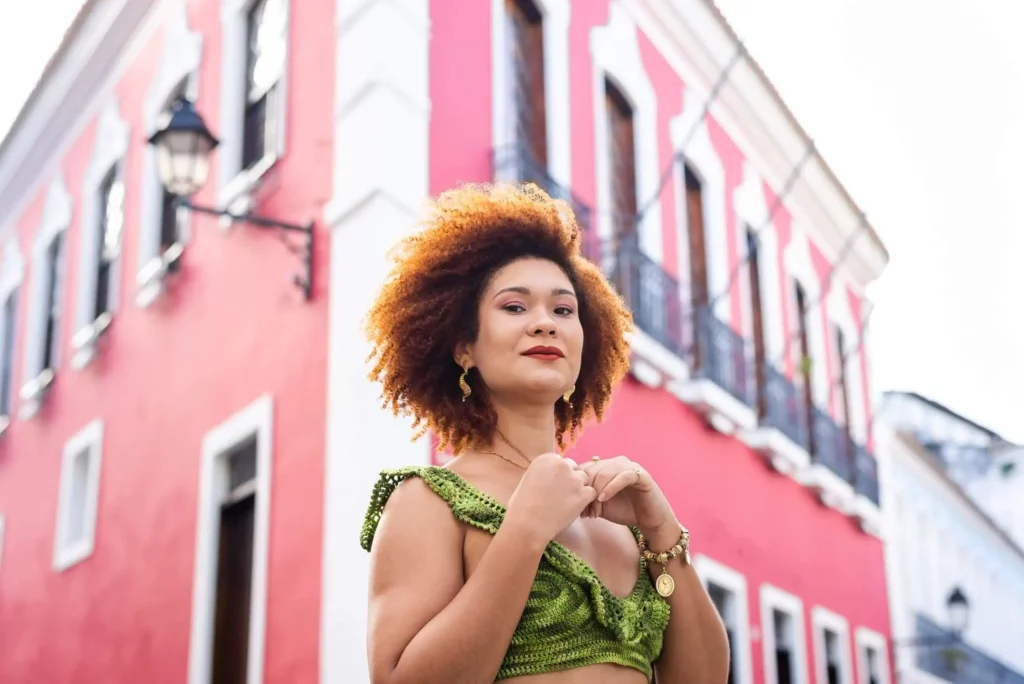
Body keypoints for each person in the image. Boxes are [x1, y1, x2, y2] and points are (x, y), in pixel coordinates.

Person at [359, 183, 730, 684]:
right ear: (465, 347)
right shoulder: (428, 501)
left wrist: (662, 530)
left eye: (563, 310)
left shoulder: (621, 515)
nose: (544, 324)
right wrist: (523, 533)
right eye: (514, 307)